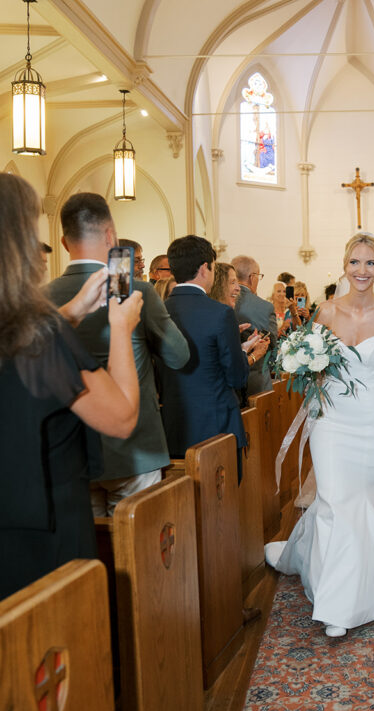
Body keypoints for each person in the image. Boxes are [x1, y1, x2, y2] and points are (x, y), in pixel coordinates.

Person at [266, 233, 374, 638]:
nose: (362, 271)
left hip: (372, 417)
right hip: (332, 417)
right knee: (335, 498)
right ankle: (338, 603)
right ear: (345, 265)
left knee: (365, 496)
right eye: (355, 263)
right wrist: (302, 364)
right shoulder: (325, 311)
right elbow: (312, 364)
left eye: (370, 263)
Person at [0, 174, 142, 599]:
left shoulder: (29, 331)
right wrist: (120, 327)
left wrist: (75, 309)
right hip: (47, 517)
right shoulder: (39, 332)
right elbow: (121, 418)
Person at [48, 193, 190, 516]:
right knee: (142, 552)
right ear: (111, 236)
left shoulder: (43, 298)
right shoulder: (137, 290)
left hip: (74, 450)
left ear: (63, 242)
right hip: (135, 449)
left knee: (92, 556)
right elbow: (179, 356)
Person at [157, 236, 265, 469]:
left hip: (174, 426)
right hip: (216, 427)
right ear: (205, 268)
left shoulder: (159, 312)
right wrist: (245, 354)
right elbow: (236, 376)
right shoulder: (219, 313)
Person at [232, 255, 277, 396]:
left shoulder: (218, 302)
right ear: (252, 277)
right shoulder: (264, 307)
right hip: (256, 383)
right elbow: (273, 349)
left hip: (229, 386)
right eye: (259, 276)